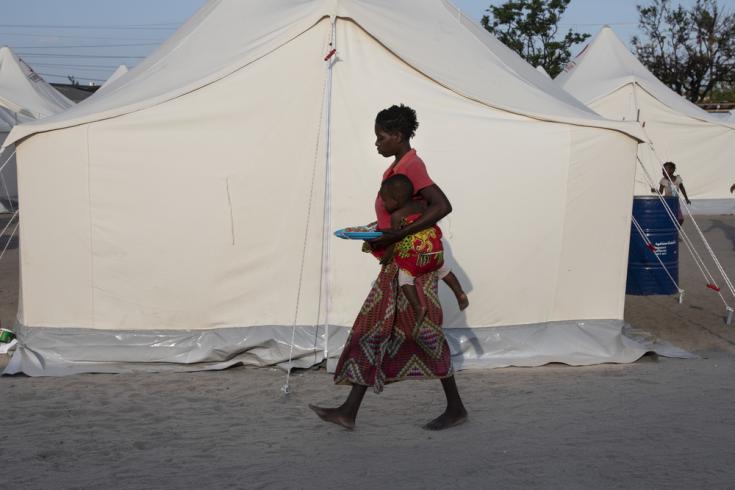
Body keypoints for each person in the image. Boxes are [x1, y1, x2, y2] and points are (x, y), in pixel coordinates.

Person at [309, 104, 468, 431]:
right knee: (373, 329)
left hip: (412, 272)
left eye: (381, 137)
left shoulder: (412, 166)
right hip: (394, 264)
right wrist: (379, 230)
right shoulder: (400, 165)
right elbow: (407, 210)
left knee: (425, 332)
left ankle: (455, 408)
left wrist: (401, 232)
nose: (377, 143)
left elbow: (442, 205)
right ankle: (349, 411)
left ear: (397, 136)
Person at [375, 173, 469, 327]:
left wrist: (387, 254)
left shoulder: (397, 216)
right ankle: (459, 293)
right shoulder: (424, 206)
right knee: (444, 270)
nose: (384, 205)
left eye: (385, 201)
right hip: (435, 254)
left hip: (416, 259)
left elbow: (394, 239)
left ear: (397, 199)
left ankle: (419, 307)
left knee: (405, 279)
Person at [652, 161, 690, 225]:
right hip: (668, 201)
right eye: (662, 171)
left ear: (672, 170)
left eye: (665, 170)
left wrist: (686, 198)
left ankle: (675, 229)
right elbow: (660, 192)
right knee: (669, 217)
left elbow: (682, 188)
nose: (663, 172)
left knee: (680, 219)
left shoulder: (678, 179)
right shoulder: (663, 180)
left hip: (675, 201)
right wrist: (655, 190)